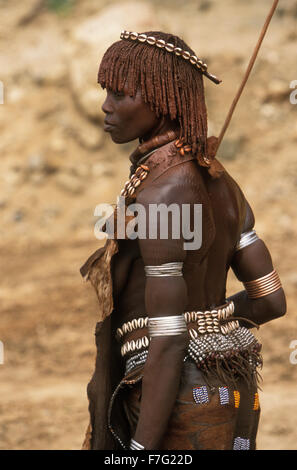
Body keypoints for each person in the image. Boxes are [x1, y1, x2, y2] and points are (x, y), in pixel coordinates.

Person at [80, 31, 286, 451]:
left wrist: (141, 451)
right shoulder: (224, 184)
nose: (106, 106)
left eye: (120, 94)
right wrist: (214, 319)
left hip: (179, 401)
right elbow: (268, 302)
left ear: (164, 99)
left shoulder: (162, 193)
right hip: (236, 387)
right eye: (106, 91)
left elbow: (170, 340)